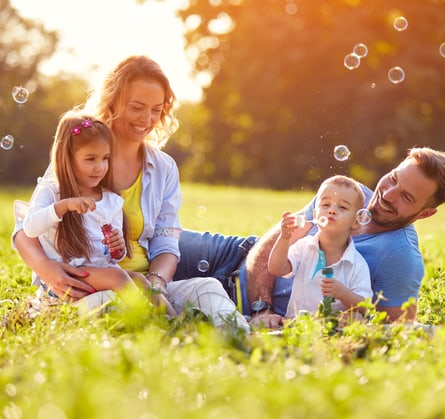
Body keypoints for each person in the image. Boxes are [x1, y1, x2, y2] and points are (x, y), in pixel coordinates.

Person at [13, 55, 250, 331]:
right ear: (113, 101)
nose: (147, 119)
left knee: (207, 287)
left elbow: (166, 241)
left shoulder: (163, 168)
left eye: (156, 110)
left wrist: (156, 286)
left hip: (143, 286)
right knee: (110, 305)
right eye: (137, 107)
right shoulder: (81, 155)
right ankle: (170, 335)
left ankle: (242, 340)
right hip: (88, 287)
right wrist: (47, 269)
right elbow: (24, 228)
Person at [172, 147, 445, 326]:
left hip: (239, 305)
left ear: (425, 213)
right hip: (235, 254)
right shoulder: (346, 192)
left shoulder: (401, 258)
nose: (387, 194)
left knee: (150, 290)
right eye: (394, 178)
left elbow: (396, 331)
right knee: (152, 242)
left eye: (406, 197)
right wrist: (262, 308)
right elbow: (271, 244)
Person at [17, 110, 174, 314]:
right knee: (118, 278)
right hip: (67, 276)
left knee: (140, 280)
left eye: (105, 158)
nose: (99, 167)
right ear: (67, 158)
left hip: (98, 272)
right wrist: (63, 206)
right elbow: (30, 228)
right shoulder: (52, 191)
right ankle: (146, 320)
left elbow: (112, 256)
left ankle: (174, 320)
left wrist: (118, 249)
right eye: (90, 159)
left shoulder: (110, 200)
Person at [268, 175, 372, 318]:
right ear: (316, 214)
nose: (332, 210)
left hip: (333, 333)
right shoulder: (304, 247)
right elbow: (276, 268)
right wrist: (284, 238)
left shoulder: (356, 264)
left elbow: (366, 307)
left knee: (356, 318)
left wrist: (343, 293)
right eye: (325, 205)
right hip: (297, 327)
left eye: (342, 207)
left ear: (356, 221)